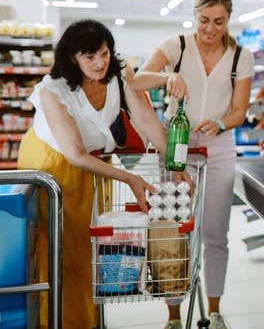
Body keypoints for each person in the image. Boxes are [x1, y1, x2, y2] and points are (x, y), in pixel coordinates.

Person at [17, 20, 169, 328]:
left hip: (95, 167)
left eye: (104, 53)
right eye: (90, 57)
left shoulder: (120, 73)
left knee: (91, 250)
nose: (100, 63)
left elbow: (145, 117)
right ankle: (54, 322)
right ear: (73, 58)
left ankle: (88, 321)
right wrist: (129, 177)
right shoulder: (52, 90)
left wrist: (175, 166)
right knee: (57, 252)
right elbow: (74, 153)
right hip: (52, 168)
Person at [132, 0, 254, 329]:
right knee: (173, 229)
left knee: (216, 232)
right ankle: (173, 316)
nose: (211, 29)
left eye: (219, 21)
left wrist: (219, 122)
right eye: (204, 20)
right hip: (176, 145)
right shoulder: (177, 45)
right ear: (195, 16)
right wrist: (167, 75)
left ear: (229, 19)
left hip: (218, 148)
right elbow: (137, 80)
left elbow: (239, 111)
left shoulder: (241, 56)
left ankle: (214, 311)